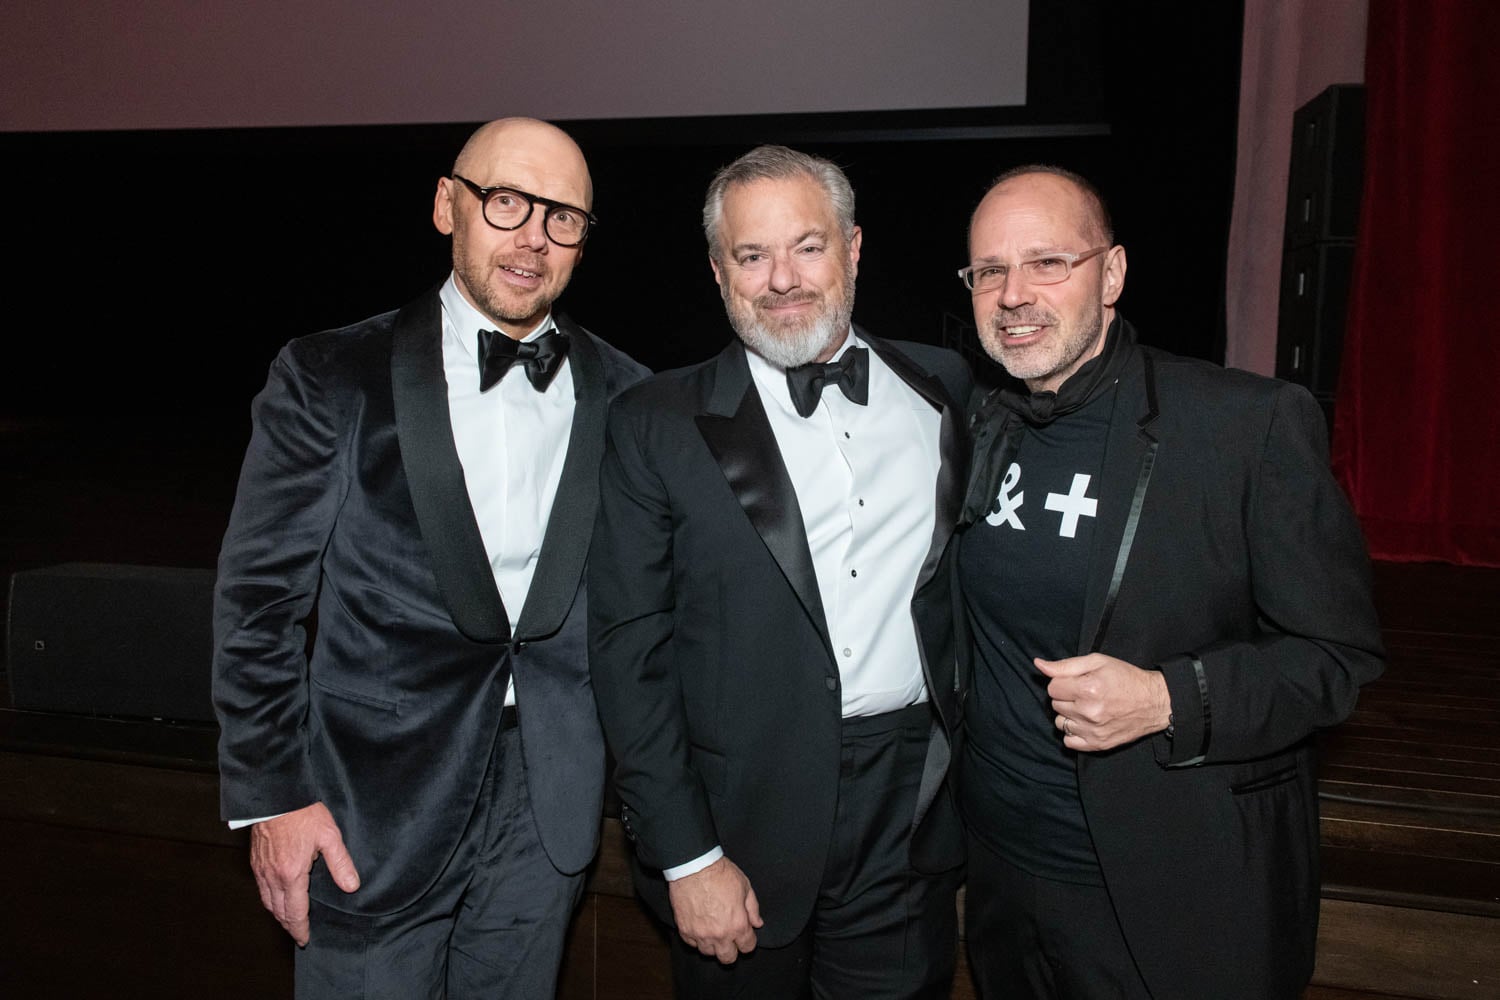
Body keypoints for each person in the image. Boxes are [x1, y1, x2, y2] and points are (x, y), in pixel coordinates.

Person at [212, 117, 647, 999]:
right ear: (448, 206)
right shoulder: (331, 373)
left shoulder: (633, 395)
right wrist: (275, 796)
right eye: (507, 202)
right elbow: (259, 602)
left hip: (551, 808)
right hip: (370, 805)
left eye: (563, 217)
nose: (533, 236)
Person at [955, 165, 1385, 1000]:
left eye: (1049, 263)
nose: (1014, 294)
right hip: (1003, 878)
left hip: (1167, 888)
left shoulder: (1243, 427)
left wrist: (1167, 700)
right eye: (990, 271)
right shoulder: (976, 421)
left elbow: (1338, 660)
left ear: (1111, 274)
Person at [587, 145, 972, 998]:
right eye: (752, 255)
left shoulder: (942, 388)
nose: (782, 278)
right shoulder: (653, 422)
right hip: (738, 827)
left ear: (854, 248)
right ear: (720, 271)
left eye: (806, 246)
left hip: (908, 818)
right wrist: (687, 855)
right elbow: (628, 654)